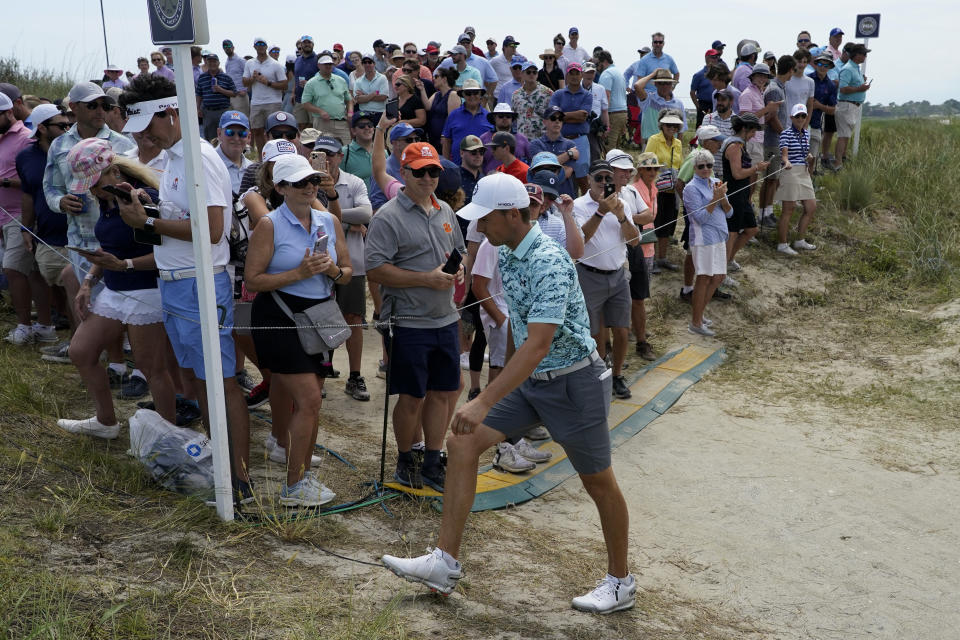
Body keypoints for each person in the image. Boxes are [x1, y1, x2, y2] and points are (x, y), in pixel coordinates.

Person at [382, 173, 636, 615]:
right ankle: (444, 563)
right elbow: (523, 335)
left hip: (574, 384)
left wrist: (483, 398)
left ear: (513, 215)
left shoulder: (548, 260)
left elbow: (539, 344)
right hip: (534, 383)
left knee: (598, 483)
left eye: (485, 219)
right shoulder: (511, 252)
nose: (478, 228)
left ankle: (621, 583)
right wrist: (496, 391)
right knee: (463, 441)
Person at [116, 75, 251, 504]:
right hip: (178, 283)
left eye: (145, 123)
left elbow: (212, 230)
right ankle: (223, 470)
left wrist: (148, 223)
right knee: (201, 380)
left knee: (222, 382)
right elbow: (187, 222)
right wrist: (149, 213)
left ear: (170, 112)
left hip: (200, 285)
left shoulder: (197, 157)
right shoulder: (174, 159)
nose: (141, 134)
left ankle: (239, 482)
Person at [243, 152, 349, 506]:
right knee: (310, 399)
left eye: (314, 181)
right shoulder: (269, 225)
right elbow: (253, 280)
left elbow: (347, 271)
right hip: (278, 315)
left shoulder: (329, 221)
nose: (310, 187)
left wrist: (331, 270)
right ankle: (294, 485)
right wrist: (299, 274)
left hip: (318, 313)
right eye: (301, 182)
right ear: (281, 188)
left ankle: (300, 475)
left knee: (312, 400)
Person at [56, 139, 176, 437]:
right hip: (115, 290)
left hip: (146, 292)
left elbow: (166, 255)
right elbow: (109, 248)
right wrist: (88, 281)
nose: (92, 191)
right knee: (81, 351)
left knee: (153, 369)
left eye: (94, 183)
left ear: (113, 172)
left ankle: (169, 436)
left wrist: (125, 265)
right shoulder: (109, 198)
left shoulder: (141, 198)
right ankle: (106, 421)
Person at [365, 141, 466, 491]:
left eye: (433, 171)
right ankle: (405, 459)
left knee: (443, 393)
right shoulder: (388, 216)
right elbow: (375, 270)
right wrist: (426, 278)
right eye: (420, 171)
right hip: (407, 321)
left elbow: (460, 252)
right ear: (403, 173)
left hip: (445, 318)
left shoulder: (445, 211)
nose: (427, 178)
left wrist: (460, 269)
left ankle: (433, 460)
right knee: (411, 397)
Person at [572, 160, 638, 398]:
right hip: (589, 275)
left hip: (618, 274)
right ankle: (600, 376)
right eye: (598, 178)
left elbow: (634, 241)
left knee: (622, 330)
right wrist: (601, 211)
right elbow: (581, 241)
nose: (603, 183)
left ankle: (617, 375)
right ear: (588, 180)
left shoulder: (623, 204)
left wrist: (621, 216)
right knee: (596, 333)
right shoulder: (579, 206)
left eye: (608, 179)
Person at [314, 135, 373, 400]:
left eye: (332, 154)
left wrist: (335, 219)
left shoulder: (355, 181)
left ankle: (355, 375)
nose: (327, 159)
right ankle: (323, 370)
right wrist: (348, 223)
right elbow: (306, 215)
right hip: (319, 263)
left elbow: (366, 214)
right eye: (321, 153)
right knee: (321, 319)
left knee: (354, 319)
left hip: (353, 262)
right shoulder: (307, 181)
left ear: (340, 156)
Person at [16, 105, 72, 352]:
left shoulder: (75, 150)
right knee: (56, 284)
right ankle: (73, 341)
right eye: (61, 125)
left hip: (78, 234)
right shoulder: (25, 157)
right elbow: (28, 195)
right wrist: (26, 228)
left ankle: (81, 345)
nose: (67, 129)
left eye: (68, 124)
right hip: (47, 233)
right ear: (41, 128)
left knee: (75, 287)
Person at [1, 91, 53, 346]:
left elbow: (34, 181)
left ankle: (25, 326)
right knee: (32, 272)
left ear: (9, 112)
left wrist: (5, 182)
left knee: (12, 268)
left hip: (19, 214)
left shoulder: (23, 139)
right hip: (3, 216)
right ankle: (44, 326)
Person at [606, 149, 655, 361]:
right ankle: (608, 347)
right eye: (622, 170)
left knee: (638, 297)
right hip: (611, 250)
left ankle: (641, 341)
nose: (627, 174)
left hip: (633, 248)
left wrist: (625, 216)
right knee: (609, 302)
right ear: (610, 171)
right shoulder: (600, 195)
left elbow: (648, 215)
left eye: (628, 171)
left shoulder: (631, 193)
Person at [682, 148, 732, 337]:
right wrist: (714, 199)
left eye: (709, 166)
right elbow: (700, 218)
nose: (705, 169)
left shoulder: (716, 182)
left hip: (720, 235)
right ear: (694, 168)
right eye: (701, 166)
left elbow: (729, 212)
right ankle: (695, 322)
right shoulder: (690, 188)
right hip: (703, 238)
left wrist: (723, 199)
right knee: (703, 277)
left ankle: (699, 315)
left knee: (718, 277)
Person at [720, 113, 768, 273]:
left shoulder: (739, 144)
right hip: (734, 193)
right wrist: (756, 168)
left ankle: (729, 259)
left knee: (751, 229)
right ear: (744, 129)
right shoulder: (734, 146)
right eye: (753, 130)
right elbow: (737, 174)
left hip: (741, 194)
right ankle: (723, 269)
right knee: (732, 232)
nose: (754, 134)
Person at [644, 109, 683, 272]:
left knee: (667, 225)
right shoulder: (654, 140)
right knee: (653, 224)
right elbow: (646, 162)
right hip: (656, 189)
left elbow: (679, 165)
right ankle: (650, 260)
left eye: (675, 125)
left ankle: (662, 258)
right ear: (662, 124)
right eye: (669, 124)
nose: (672, 128)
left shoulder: (678, 143)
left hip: (672, 191)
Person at [775, 104, 818, 255]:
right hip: (791, 171)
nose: (800, 119)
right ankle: (782, 244)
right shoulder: (785, 133)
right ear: (791, 117)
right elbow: (784, 153)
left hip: (804, 172)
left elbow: (805, 153)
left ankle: (799, 240)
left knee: (811, 207)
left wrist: (810, 158)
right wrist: (786, 161)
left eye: (803, 116)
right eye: (798, 116)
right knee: (789, 209)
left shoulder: (806, 134)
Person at [758, 56, 794, 228]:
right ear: (791, 70)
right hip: (772, 140)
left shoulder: (780, 87)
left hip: (776, 139)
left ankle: (769, 211)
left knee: (774, 179)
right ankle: (763, 213)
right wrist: (785, 134)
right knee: (770, 179)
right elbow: (771, 118)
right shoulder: (774, 89)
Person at [549, 63, 593, 194]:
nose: (574, 77)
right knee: (559, 174)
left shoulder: (587, 95)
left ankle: (587, 206)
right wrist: (575, 115)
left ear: (581, 75)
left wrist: (562, 115)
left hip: (580, 139)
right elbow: (553, 115)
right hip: (560, 140)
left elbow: (583, 117)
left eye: (577, 73)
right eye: (571, 74)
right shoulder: (558, 94)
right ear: (566, 76)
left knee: (583, 179)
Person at [243, 37, 288, 153]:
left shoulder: (276, 64)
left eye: (263, 44)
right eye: (258, 44)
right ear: (254, 47)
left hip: (273, 102)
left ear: (266, 47)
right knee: (257, 131)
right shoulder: (249, 63)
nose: (261, 46)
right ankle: (262, 157)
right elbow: (244, 82)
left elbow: (284, 85)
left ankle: (274, 154)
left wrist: (267, 82)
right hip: (256, 102)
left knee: (273, 131)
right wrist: (253, 78)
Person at [301, 54, 353, 144]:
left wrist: (350, 113)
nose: (328, 66)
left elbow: (349, 100)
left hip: (341, 122)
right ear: (319, 65)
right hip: (322, 123)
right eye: (325, 64)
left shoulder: (341, 80)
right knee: (323, 149)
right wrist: (320, 111)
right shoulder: (311, 83)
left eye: (330, 64)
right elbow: (305, 104)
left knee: (345, 148)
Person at [834, 44, 871, 171]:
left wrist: (861, 84)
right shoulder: (848, 69)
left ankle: (841, 160)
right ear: (857, 55)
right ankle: (838, 163)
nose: (865, 56)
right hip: (846, 105)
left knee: (846, 135)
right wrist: (859, 88)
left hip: (852, 106)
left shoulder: (855, 69)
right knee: (843, 136)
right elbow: (843, 89)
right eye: (864, 54)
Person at [528, 106, 578, 198]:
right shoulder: (535, 144)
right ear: (544, 122)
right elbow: (540, 170)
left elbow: (567, 173)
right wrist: (568, 154)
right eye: (553, 118)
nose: (557, 121)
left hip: (565, 196)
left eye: (560, 118)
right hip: (542, 196)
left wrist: (546, 168)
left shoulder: (570, 144)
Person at [441, 80, 492, 165]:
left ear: (480, 95)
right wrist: (447, 165)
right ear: (463, 95)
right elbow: (446, 142)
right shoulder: (453, 115)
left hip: (483, 168)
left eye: (475, 93)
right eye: (468, 93)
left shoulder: (489, 117)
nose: (472, 96)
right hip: (457, 168)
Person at [633, 68, 687, 146]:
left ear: (671, 84)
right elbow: (637, 86)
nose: (664, 86)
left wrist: (678, 149)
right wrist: (653, 74)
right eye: (661, 83)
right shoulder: (648, 99)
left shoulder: (678, 103)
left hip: (670, 145)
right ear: (656, 84)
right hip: (651, 144)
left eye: (667, 83)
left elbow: (681, 130)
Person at [195, 53, 238, 142]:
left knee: (225, 135)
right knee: (210, 138)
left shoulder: (226, 77)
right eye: (210, 62)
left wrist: (220, 90)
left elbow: (234, 93)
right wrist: (198, 108)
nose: (212, 64)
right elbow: (199, 94)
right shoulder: (202, 78)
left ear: (218, 63)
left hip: (223, 111)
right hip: (208, 112)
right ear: (206, 63)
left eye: (214, 61)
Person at [807, 54, 838, 174]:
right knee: (798, 158)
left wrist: (819, 106)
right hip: (800, 124)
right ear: (816, 64)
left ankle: (809, 186)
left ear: (830, 67)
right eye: (820, 64)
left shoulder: (831, 86)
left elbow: (832, 110)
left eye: (826, 65)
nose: (822, 67)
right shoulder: (808, 79)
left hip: (816, 125)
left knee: (812, 159)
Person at [480, 103, 530, 173]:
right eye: (501, 116)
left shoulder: (523, 139)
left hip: (517, 181)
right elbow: (478, 163)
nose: (505, 118)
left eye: (508, 116)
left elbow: (531, 161)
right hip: (491, 180)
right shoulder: (483, 139)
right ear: (494, 118)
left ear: (512, 118)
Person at [511, 63, 553, 141]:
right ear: (522, 74)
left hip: (541, 139)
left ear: (537, 74)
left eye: (534, 72)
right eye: (528, 72)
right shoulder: (516, 95)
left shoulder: (548, 93)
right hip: (521, 140)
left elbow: (552, 117)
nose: (532, 74)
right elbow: (513, 119)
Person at [596, 51, 628, 149]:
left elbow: (606, 96)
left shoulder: (606, 74)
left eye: (598, 64)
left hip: (613, 114)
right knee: (617, 148)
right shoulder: (619, 73)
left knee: (609, 147)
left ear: (603, 62)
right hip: (623, 112)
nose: (597, 67)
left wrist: (605, 121)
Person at [425, 67, 460, 150]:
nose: (434, 79)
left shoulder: (453, 95)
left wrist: (445, 136)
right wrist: (422, 89)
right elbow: (427, 106)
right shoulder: (436, 94)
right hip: (433, 138)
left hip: (444, 140)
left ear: (444, 79)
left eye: (436, 76)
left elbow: (452, 119)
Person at [581, 62, 610, 162]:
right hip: (579, 126)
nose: (590, 75)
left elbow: (604, 110)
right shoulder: (575, 88)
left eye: (592, 73)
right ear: (582, 73)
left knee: (596, 153)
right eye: (587, 72)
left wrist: (607, 127)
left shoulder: (600, 88)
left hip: (594, 128)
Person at [690, 50, 721, 126]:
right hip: (704, 104)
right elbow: (692, 92)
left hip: (717, 104)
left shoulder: (719, 74)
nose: (715, 59)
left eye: (717, 57)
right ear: (707, 58)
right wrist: (698, 107)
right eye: (713, 57)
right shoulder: (699, 75)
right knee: (701, 127)